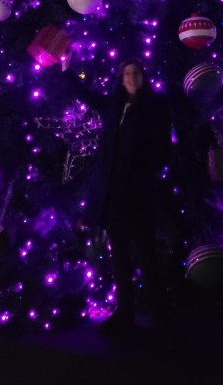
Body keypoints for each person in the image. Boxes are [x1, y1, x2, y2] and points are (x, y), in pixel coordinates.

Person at [63, 55, 171, 333]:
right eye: (127, 73)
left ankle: (158, 315)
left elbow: (161, 151)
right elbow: (87, 96)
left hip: (137, 195)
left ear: (143, 77)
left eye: (136, 73)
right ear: (121, 79)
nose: (132, 77)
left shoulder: (154, 108)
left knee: (146, 254)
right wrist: (66, 71)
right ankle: (125, 314)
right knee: (119, 255)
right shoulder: (114, 105)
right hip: (112, 194)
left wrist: (143, 176)